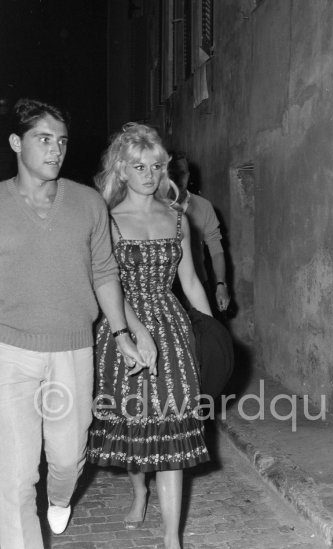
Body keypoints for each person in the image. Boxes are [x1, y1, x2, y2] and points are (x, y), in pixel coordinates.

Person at [0, 99, 155, 549]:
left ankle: (61, 497)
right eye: (43, 139)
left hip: (73, 348)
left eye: (61, 141)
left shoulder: (87, 203)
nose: (55, 150)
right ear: (16, 142)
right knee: (15, 478)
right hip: (10, 350)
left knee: (68, 458)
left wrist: (123, 333)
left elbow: (104, 272)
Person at [87, 123, 212, 549]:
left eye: (156, 166)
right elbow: (110, 286)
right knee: (137, 424)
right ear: (121, 170)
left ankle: (172, 537)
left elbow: (191, 281)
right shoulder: (107, 219)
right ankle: (139, 490)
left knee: (174, 425)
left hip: (172, 324)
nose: (149, 173)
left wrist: (212, 333)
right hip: (122, 325)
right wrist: (134, 331)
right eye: (138, 166)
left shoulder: (178, 217)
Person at [171, 153, 231, 312]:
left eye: (182, 173)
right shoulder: (156, 209)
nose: (179, 179)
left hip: (197, 282)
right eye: (174, 174)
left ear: (188, 175)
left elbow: (216, 248)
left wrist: (220, 284)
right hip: (167, 289)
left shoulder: (204, 206)